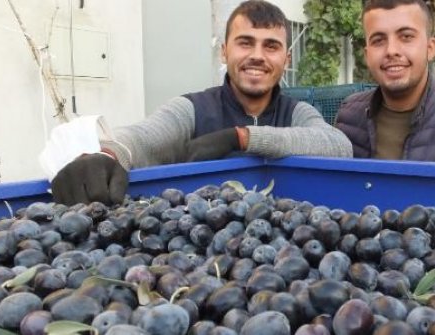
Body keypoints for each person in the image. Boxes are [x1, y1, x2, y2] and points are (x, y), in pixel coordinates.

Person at [51, 0, 352, 206]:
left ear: (286, 60)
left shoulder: (297, 112)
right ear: (224, 52)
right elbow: (144, 137)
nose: (257, 56)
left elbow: (338, 146)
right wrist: (107, 154)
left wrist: (242, 137)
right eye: (245, 42)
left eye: (271, 46)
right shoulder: (193, 109)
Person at [335, 0, 435, 163]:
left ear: (430, 48)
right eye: (378, 40)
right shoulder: (348, 117)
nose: (391, 51)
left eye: (406, 37)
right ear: (367, 54)